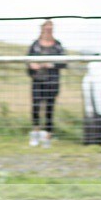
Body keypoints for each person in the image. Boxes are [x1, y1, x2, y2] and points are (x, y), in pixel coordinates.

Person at [27, 19, 66, 148]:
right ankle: (35, 134)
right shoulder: (35, 45)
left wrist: (51, 64)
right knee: (36, 107)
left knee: (49, 109)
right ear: (42, 29)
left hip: (52, 81)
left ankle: (47, 136)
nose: (49, 30)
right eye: (47, 28)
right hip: (38, 81)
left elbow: (64, 62)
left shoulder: (57, 45)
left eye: (51, 28)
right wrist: (32, 65)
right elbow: (27, 60)